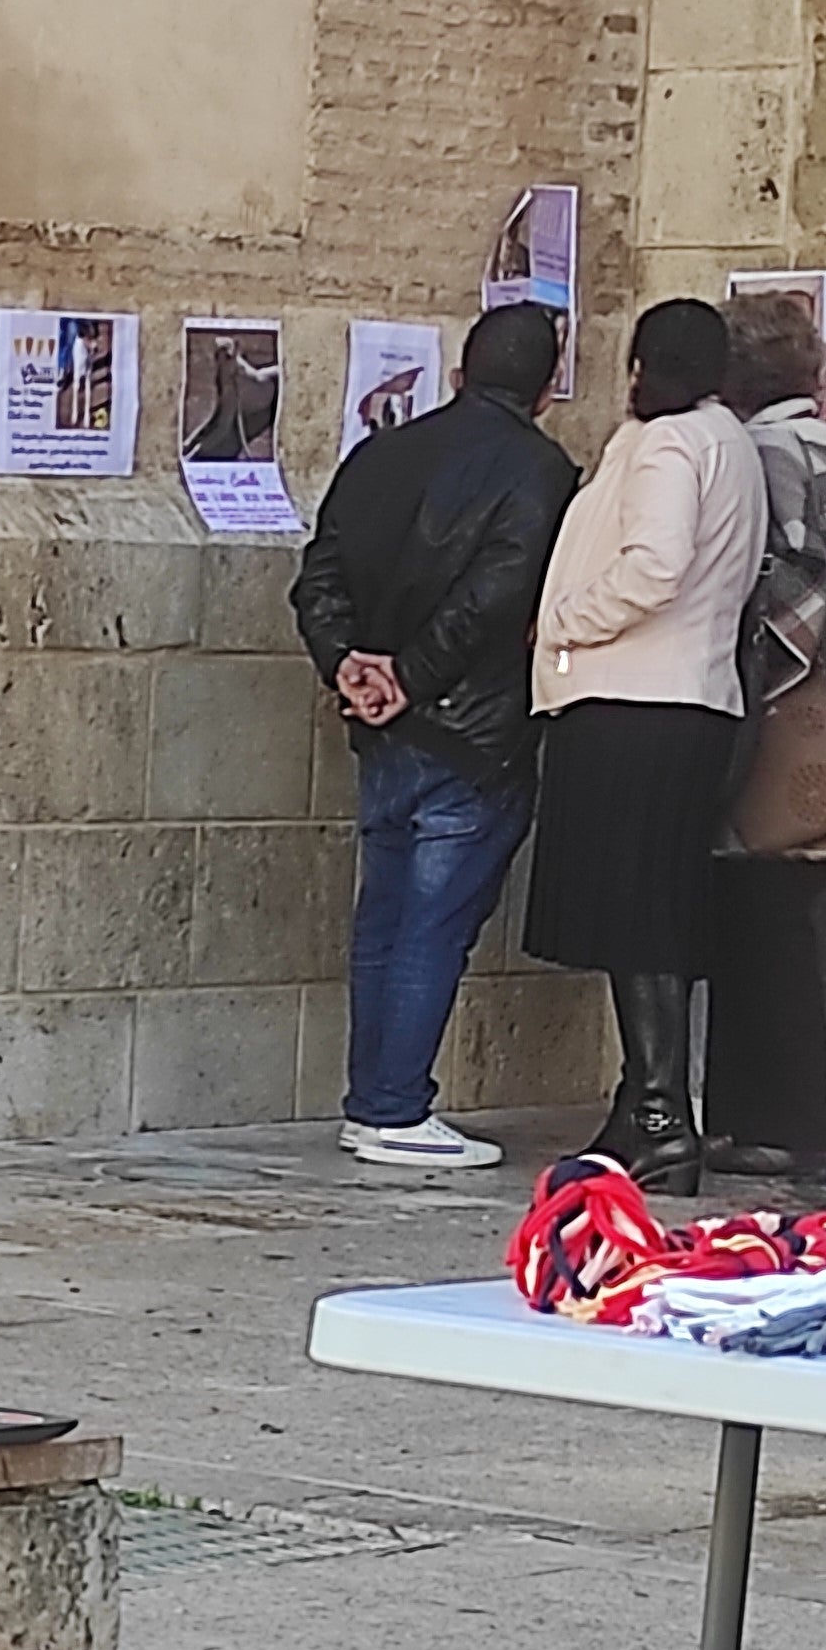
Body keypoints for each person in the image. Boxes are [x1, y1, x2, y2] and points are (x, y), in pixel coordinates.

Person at [290, 300, 577, 1167]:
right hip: (471, 728)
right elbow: (497, 596)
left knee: (385, 916)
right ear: (547, 391)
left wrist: (349, 663)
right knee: (431, 924)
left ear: (458, 371)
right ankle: (393, 1105)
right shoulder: (541, 472)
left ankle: (372, 1100)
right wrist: (408, 677)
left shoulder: (381, 452)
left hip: (387, 725)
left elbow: (320, 574)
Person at [520, 297, 766, 1188]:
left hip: (638, 699)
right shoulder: (724, 439)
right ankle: (641, 1106)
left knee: (640, 918)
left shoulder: (671, 443)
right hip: (682, 700)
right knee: (651, 912)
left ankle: (662, 1114)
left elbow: (655, 566)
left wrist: (563, 623)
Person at [702, 287, 826, 1182]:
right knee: (770, 918)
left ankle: (787, 1119)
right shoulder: (823, 446)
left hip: (785, 707)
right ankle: (761, 1116)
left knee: (762, 919)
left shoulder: (770, 451)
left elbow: (794, 582)